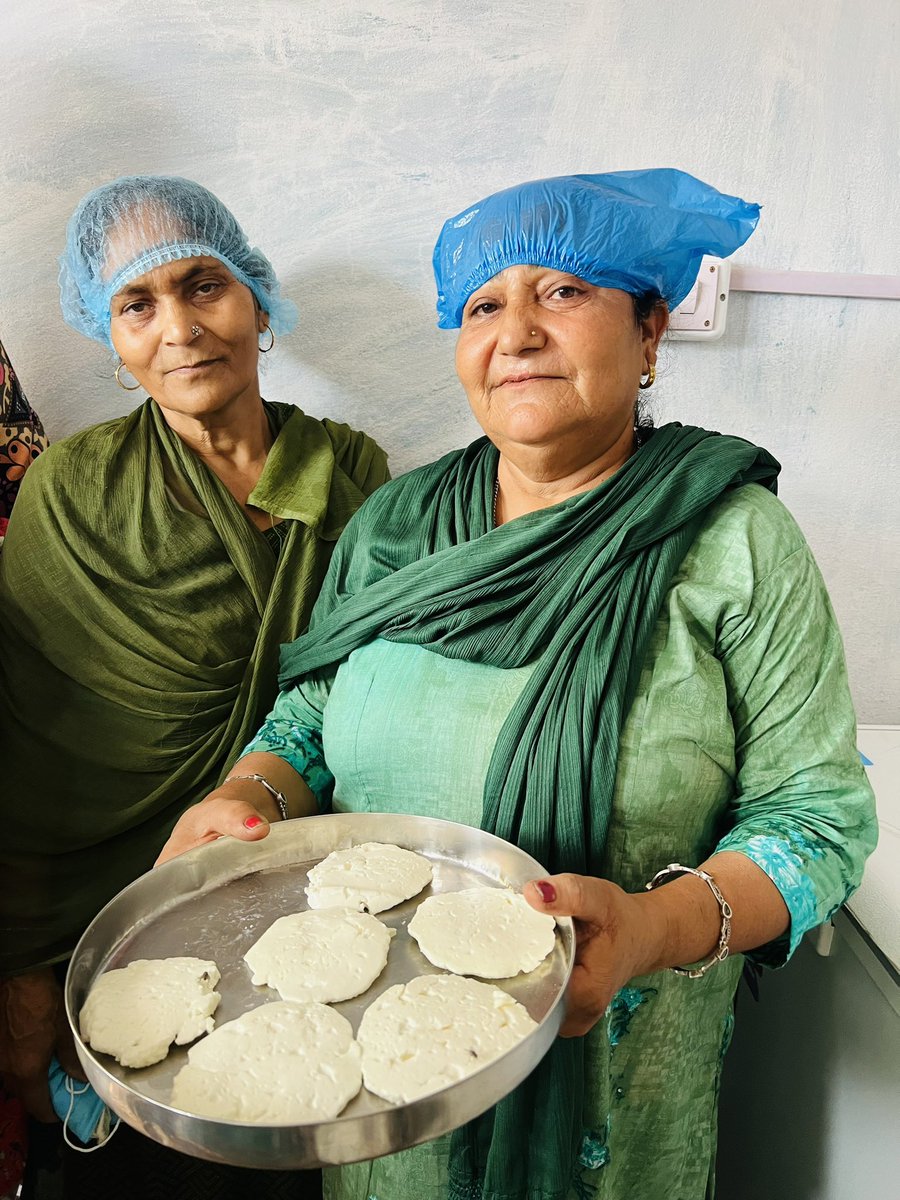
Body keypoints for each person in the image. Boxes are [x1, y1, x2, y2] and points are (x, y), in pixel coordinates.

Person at [166, 168, 876, 1200]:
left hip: (615, 1104)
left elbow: (817, 823)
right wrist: (251, 791)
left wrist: (648, 932)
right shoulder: (398, 525)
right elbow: (314, 710)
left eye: (566, 292)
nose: (519, 332)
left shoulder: (733, 538)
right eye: (485, 306)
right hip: (376, 1096)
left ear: (650, 334)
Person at [0, 175, 388, 1199]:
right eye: (138, 304)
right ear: (111, 337)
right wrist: (24, 969)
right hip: (105, 935)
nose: (179, 328)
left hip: (308, 918)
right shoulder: (74, 494)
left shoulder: (349, 474)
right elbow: (30, 758)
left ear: (257, 299)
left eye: (203, 285)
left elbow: (376, 695)